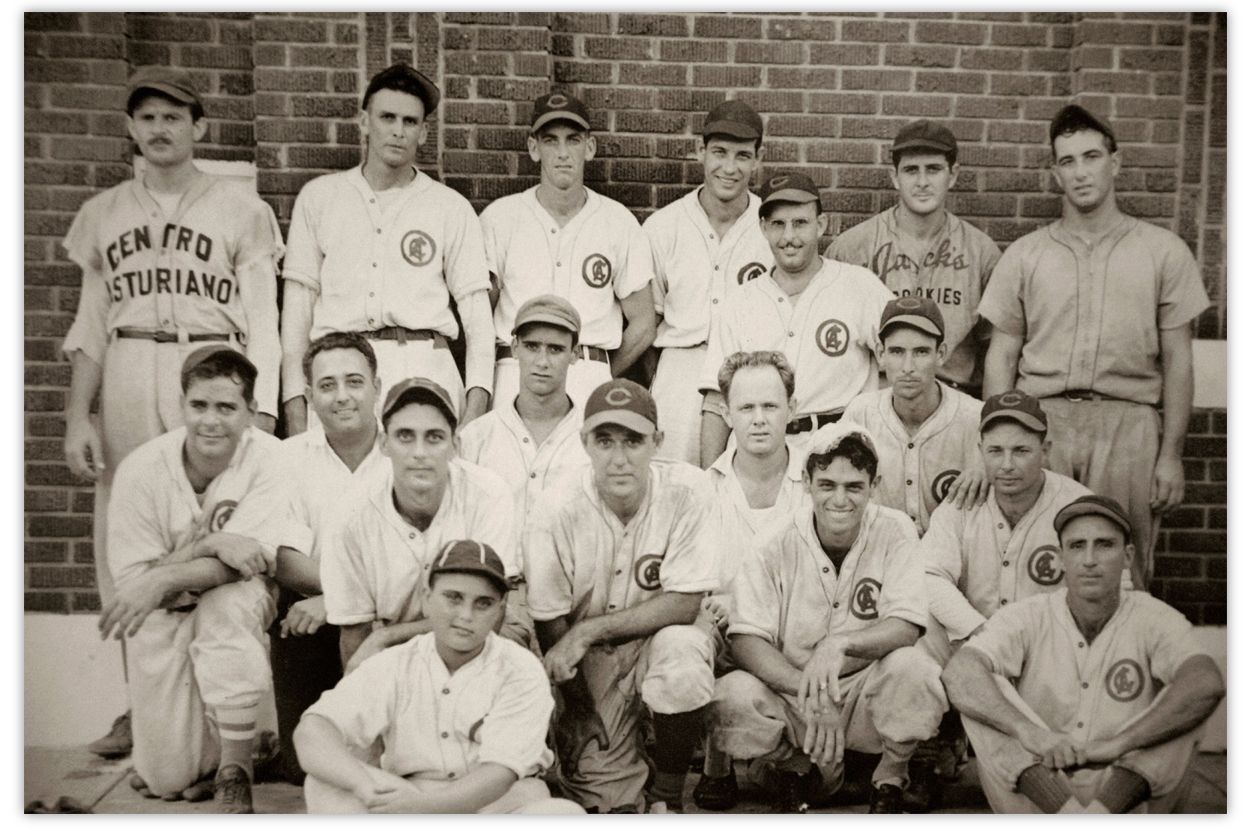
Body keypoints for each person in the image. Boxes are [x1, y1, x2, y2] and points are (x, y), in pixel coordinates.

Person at [61, 65, 283, 758]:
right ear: (130, 127)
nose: (159, 128)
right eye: (147, 117)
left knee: (232, 527)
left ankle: (244, 715)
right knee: (130, 533)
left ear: (199, 128)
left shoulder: (240, 211)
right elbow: (89, 325)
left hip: (212, 366)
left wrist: (267, 408)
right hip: (131, 363)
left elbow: (264, 323)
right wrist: (77, 415)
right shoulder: (103, 213)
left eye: (173, 116)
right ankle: (142, 705)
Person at [979, 103, 1211, 589]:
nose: (1081, 172)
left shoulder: (1161, 251)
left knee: (1123, 568)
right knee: (1035, 563)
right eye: (1068, 161)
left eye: (1091, 156)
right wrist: (1001, 440)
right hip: (1044, 424)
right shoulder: (1027, 254)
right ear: (1055, 174)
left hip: (1129, 428)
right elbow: (1001, 356)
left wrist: (1171, 454)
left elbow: (1179, 360)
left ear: (1116, 162)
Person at [699, 422, 946, 813]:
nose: (840, 499)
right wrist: (809, 692)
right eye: (827, 484)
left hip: (861, 688)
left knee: (916, 669)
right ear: (807, 483)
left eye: (854, 486)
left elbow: (906, 624)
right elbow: (746, 639)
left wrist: (842, 644)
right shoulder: (773, 539)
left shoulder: (895, 528)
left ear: (874, 484)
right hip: (793, 693)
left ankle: (891, 774)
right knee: (730, 697)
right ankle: (794, 767)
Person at [942, 495, 1225, 813]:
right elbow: (959, 674)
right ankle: (1073, 815)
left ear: (1127, 556)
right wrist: (1030, 733)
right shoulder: (1027, 615)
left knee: (1186, 703)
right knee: (982, 695)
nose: (1089, 559)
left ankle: (1099, 814)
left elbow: (1206, 682)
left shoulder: (1154, 616)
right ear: (1061, 558)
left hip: (1128, 794)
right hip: (1040, 794)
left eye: (1104, 545)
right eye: (1077, 546)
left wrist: (1119, 744)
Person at [97, 345, 288, 813]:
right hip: (168, 612)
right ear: (181, 407)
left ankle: (234, 768)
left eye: (227, 407)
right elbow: (138, 585)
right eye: (199, 405)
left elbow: (247, 563)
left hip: (244, 601)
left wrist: (169, 574)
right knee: (167, 779)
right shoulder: (142, 469)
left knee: (228, 605)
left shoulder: (272, 459)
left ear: (251, 413)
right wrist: (207, 545)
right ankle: (229, 753)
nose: (211, 421)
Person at [524, 379, 718, 812]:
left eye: (633, 441)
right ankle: (624, 756)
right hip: (587, 661)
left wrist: (590, 630)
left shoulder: (688, 490)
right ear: (584, 443)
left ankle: (669, 791)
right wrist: (577, 708)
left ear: (658, 442)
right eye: (605, 441)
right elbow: (550, 620)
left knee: (683, 654)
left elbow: (686, 603)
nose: (618, 458)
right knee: (606, 798)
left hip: (656, 639)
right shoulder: (555, 506)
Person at [295, 539, 583, 814]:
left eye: (483, 603)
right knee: (325, 782)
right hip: (410, 794)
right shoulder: (395, 662)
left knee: (564, 816)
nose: (465, 615)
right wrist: (365, 786)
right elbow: (313, 730)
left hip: (499, 803)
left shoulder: (520, 668)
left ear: (500, 610)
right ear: (427, 598)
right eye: (453, 598)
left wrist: (425, 810)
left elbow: (500, 773)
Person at [281, 63, 494, 433]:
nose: (398, 131)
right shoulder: (320, 198)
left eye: (410, 122)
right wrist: (296, 410)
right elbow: (297, 313)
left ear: (424, 132)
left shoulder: (449, 207)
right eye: (387, 117)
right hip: (339, 368)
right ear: (364, 122)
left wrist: (475, 412)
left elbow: (478, 317)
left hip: (424, 364)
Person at [321, 376, 521, 673]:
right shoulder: (349, 513)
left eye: (434, 437)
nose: (419, 453)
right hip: (392, 649)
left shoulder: (489, 494)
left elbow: (485, 617)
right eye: (405, 436)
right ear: (384, 443)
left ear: (455, 445)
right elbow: (355, 637)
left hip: (479, 638)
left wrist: (387, 637)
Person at [698, 172, 893, 466]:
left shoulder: (859, 286)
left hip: (838, 450)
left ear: (821, 225)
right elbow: (716, 400)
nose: (789, 237)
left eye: (800, 223)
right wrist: (708, 479)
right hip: (758, 453)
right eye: (778, 224)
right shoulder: (740, 301)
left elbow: (905, 359)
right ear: (763, 228)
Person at [480, 92, 657, 409]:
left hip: (587, 367)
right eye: (551, 141)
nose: (563, 153)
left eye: (573, 140)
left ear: (590, 147)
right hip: (515, 369)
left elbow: (643, 323)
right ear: (534, 148)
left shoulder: (617, 221)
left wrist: (601, 372)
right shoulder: (500, 218)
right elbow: (479, 315)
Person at [269, 332, 390, 784]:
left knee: (387, 755)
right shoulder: (288, 457)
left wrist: (341, 598)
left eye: (354, 381)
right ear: (309, 396)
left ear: (378, 386)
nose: (342, 396)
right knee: (306, 769)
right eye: (327, 385)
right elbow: (283, 558)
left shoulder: (406, 449)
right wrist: (340, 599)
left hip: (393, 621)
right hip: (309, 620)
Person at [692, 350, 808, 811]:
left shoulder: (818, 482)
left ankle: (781, 764)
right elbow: (688, 577)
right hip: (733, 642)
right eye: (746, 408)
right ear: (726, 412)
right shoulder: (703, 489)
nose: (759, 420)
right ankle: (719, 761)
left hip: (803, 633)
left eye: (770, 406)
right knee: (692, 638)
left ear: (792, 410)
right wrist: (706, 606)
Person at [828, 118, 1000, 397]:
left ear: (953, 174)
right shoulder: (853, 248)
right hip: (878, 399)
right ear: (895, 177)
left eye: (933, 169)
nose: (922, 182)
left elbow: (996, 348)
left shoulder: (981, 252)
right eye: (911, 170)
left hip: (954, 398)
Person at [643, 99, 772, 464]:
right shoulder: (663, 227)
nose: (729, 168)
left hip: (750, 375)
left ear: (758, 159)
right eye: (719, 152)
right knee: (671, 484)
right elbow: (647, 322)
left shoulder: (772, 229)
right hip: (679, 371)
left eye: (742, 156)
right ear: (700, 152)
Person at [842, 296, 986, 535]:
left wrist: (990, 467)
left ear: (940, 354)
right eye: (897, 351)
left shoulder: (975, 418)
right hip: (881, 554)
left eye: (921, 352)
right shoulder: (861, 414)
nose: (908, 366)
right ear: (881, 354)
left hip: (954, 558)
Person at [457, 294, 589, 525]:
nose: (542, 361)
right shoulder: (477, 436)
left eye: (555, 349)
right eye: (532, 346)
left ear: (574, 354)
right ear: (515, 348)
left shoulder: (591, 438)